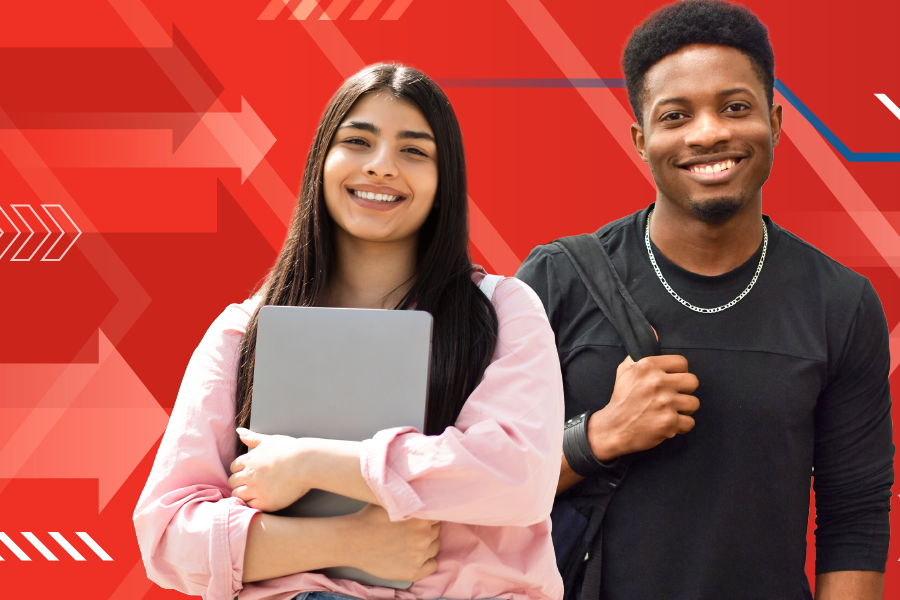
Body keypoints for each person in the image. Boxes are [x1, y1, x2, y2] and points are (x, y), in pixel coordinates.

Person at [134, 63, 564, 600]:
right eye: (358, 141)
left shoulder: (502, 310)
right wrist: (344, 542)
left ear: (444, 179)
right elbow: (168, 536)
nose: (382, 167)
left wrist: (311, 464)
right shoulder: (243, 333)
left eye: (413, 150)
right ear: (322, 162)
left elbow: (517, 477)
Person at [516, 1, 894, 599]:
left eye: (735, 107)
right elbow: (474, 480)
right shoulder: (557, 280)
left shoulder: (840, 303)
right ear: (642, 139)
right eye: (676, 115)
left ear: (774, 120)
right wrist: (594, 438)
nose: (709, 132)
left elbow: (854, 518)